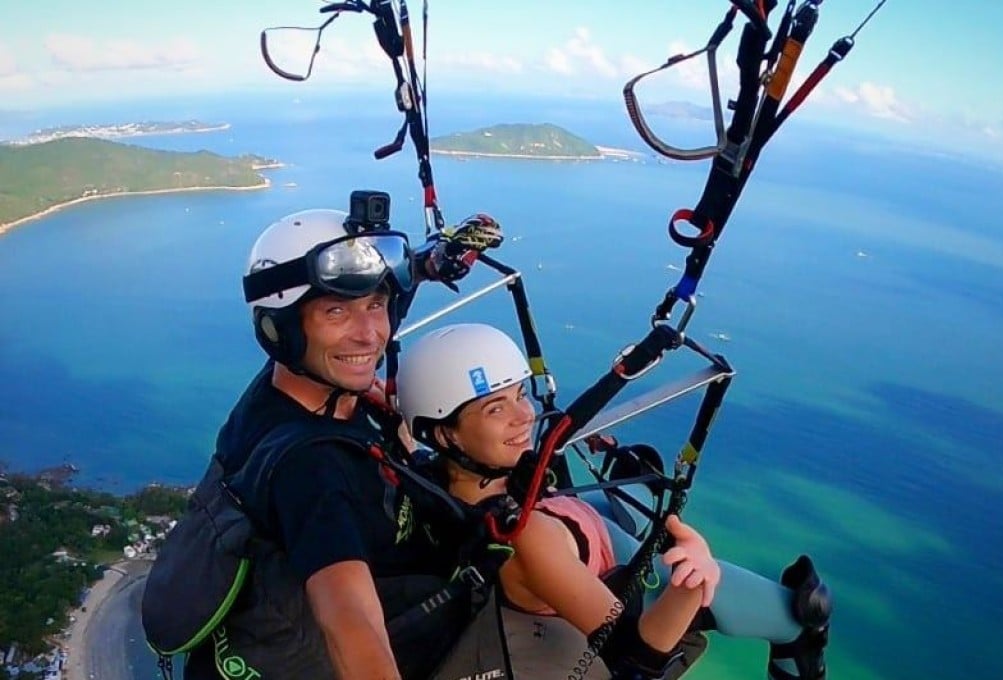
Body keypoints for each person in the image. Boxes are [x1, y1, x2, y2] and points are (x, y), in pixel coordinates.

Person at [178, 207, 492, 680]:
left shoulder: (300, 381)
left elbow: (378, 299)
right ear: (278, 328)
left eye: (375, 305)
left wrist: (429, 264)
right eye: (336, 311)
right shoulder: (308, 468)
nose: (371, 334)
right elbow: (350, 619)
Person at [396, 322, 724, 678]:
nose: (525, 416)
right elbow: (635, 658)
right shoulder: (525, 536)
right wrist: (693, 581)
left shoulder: (426, 480)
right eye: (495, 409)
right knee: (789, 608)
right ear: (447, 434)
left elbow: (407, 434)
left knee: (627, 495)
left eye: (521, 395)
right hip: (611, 562)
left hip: (583, 526)